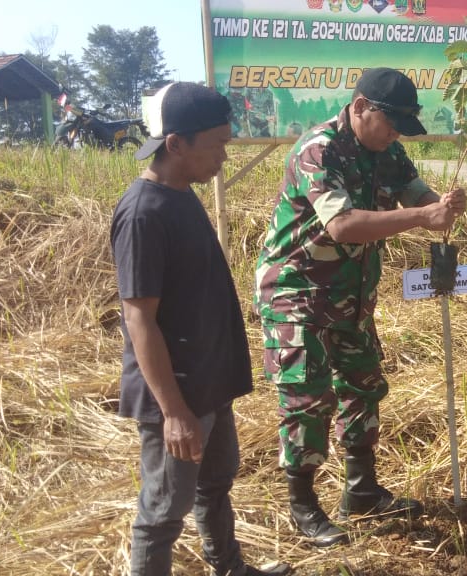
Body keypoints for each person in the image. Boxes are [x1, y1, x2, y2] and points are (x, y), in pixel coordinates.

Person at [254, 67, 467, 547]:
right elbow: (344, 225)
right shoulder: (319, 149)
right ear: (360, 107)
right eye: (389, 124)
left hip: (349, 294)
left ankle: (362, 490)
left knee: (364, 383)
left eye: (400, 129)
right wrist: (419, 217)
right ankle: (304, 508)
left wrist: (443, 205)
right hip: (297, 292)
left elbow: (415, 191)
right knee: (307, 400)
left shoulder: (385, 148)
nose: (394, 135)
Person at [110, 81, 290, 576]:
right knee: (163, 510)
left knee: (215, 486)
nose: (224, 157)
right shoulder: (143, 213)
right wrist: (173, 412)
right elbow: (139, 318)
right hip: (179, 395)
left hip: (208, 385)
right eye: (217, 145)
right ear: (176, 145)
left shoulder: (181, 194)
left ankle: (229, 567)